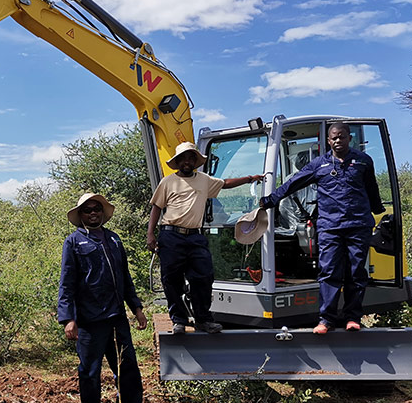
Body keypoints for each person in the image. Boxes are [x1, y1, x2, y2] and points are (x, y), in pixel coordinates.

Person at [259, 122, 384, 334]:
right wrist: (271, 199)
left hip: (357, 225)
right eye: (334, 137)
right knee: (329, 272)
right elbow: (294, 183)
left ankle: (353, 317)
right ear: (328, 141)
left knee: (356, 272)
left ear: (349, 138)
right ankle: (326, 320)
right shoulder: (320, 164)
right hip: (329, 227)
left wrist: (377, 209)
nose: (338, 140)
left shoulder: (363, 161)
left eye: (342, 136)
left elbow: (372, 188)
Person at [58, 193, 159, 403]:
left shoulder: (114, 239)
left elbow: (124, 276)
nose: (93, 213)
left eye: (97, 209)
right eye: (87, 210)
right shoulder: (73, 242)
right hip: (90, 322)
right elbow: (67, 284)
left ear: (103, 212)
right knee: (90, 374)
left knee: (128, 371)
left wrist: (136, 307)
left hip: (117, 318)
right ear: (80, 216)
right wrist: (69, 319)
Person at [147, 142, 263, 335]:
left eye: (191, 158)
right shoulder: (168, 182)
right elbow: (156, 207)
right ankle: (179, 321)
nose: (187, 161)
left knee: (204, 277)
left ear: (195, 161)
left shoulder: (204, 180)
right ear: (177, 161)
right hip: (171, 235)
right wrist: (150, 234)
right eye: (183, 158)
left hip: (195, 237)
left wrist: (250, 178)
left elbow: (225, 183)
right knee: (171, 279)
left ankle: (202, 319)